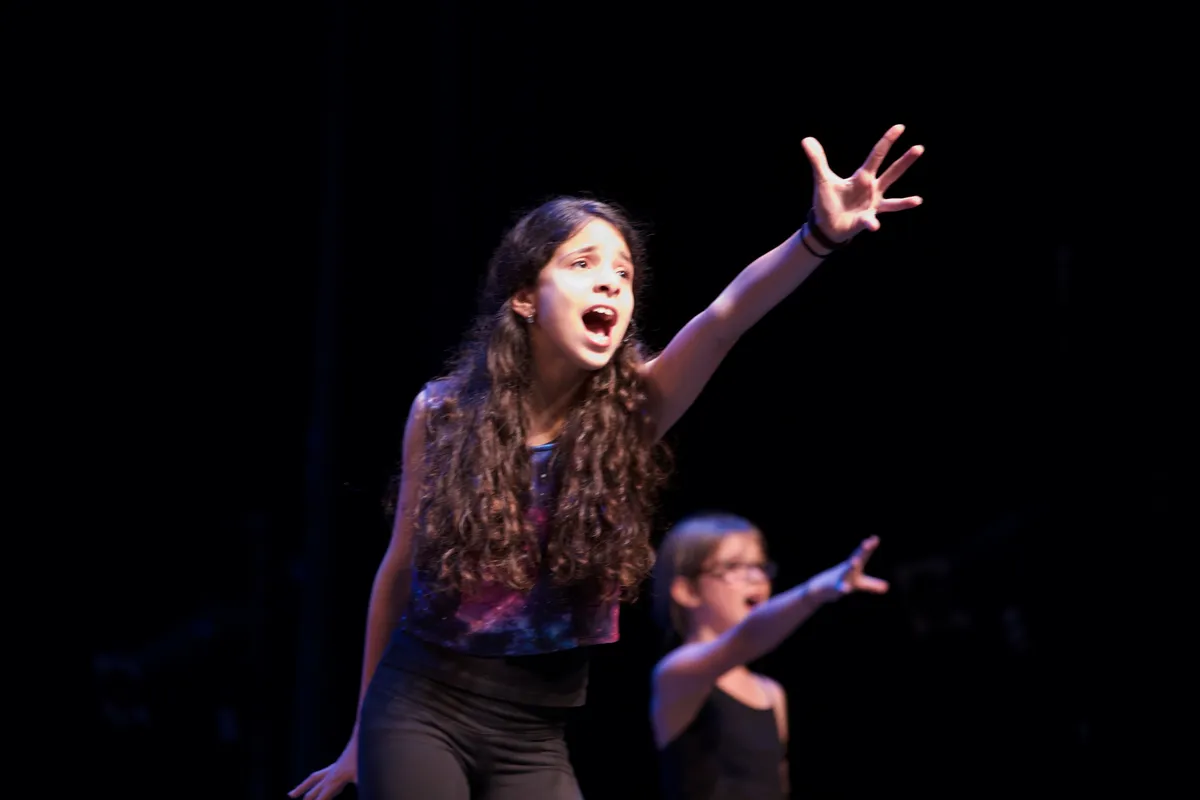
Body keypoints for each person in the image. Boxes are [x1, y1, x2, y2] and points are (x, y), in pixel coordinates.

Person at [288, 124, 924, 800]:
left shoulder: (632, 411)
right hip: (419, 705)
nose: (612, 284)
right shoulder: (442, 413)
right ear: (526, 296)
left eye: (623, 273)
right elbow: (398, 569)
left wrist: (817, 238)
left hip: (536, 730)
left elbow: (727, 315)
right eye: (584, 263)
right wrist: (360, 730)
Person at [650, 513, 890, 800]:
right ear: (688, 591)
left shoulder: (771, 693)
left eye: (759, 566)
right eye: (734, 566)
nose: (756, 578)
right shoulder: (676, 674)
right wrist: (813, 593)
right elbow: (748, 637)